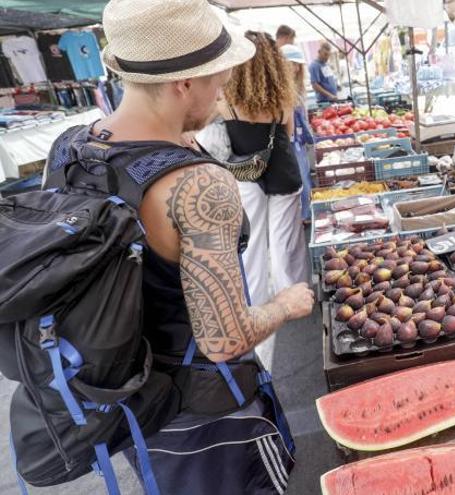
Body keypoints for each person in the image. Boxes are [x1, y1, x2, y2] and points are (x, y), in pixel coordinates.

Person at [57, 0, 313, 493]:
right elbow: (224, 341)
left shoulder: (70, 147)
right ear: (184, 82)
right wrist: (285, 303)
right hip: (205, 413)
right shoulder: (196, 184)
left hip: (121, 399)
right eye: (218, 78)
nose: (222, 94)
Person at [222, 31, 310, 312]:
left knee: (252, 244)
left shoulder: (225, 100)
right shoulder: (282, 97)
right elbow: (289, 132)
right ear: (274, 61)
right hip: (283, 172)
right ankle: (296, 299)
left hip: (245, 176)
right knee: (287, 242)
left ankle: (256, 305)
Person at [283, 44, 315, 222]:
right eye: (291, 64)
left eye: (297, 64)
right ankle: (304, 215)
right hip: (290, 140)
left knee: (304, 176)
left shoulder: (299, 87)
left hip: (299, 139)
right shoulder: (283, 89)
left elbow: (303, 114)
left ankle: (307, 213)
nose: (295, 68)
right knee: (300, 177)